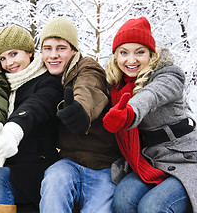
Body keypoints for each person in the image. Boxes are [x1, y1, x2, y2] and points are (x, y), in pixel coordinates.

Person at [0, 25, 63, 213]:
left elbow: (34, 108)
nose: (9, 63)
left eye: (14, 54)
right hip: (10, 164)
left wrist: (12, 131)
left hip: (37, 164)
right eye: (2, 58)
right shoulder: (5, 85)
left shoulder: (47, 82)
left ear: (29, 52)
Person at [103, 16, 196, 212]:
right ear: (116, 56)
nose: (131, 60)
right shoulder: (115, 85)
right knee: (123, 199)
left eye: (140, 52)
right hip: (149, 160)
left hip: (183, 158)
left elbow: (150, 96)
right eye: (124, 52)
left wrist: (128, 112)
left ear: (151, 54)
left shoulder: (169, 75)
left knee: (152, 207)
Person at [38, 17, 120, 213]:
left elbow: (89, 88)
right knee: (53, 182)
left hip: (101, 166)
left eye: (61, 48)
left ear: (74, 50)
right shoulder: (45, 76)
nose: (53, 55)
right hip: (67, 163)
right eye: (47, 48)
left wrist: (81, 110)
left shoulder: (88, 68)